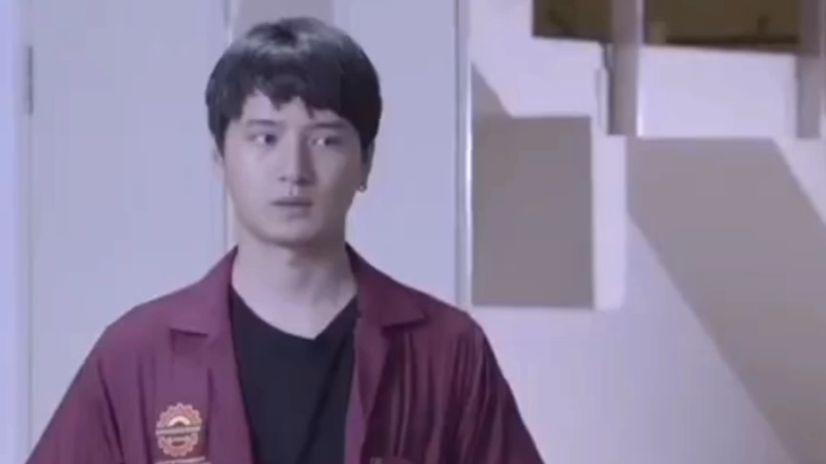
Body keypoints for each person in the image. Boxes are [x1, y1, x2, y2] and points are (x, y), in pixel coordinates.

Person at [28, 17, 543, 464]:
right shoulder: (137, 354)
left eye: (325, 140)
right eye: (265, 138)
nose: (293, 169)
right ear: (220, 158)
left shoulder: (447, 351)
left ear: (365, 162)